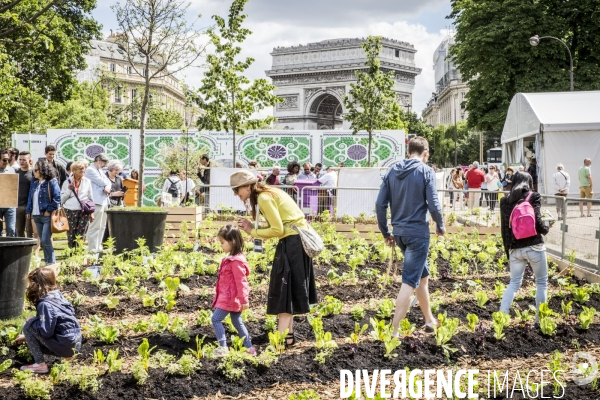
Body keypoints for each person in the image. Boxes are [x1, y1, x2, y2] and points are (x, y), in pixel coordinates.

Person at [232, 170, 317, 346]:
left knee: (284, 292)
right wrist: (254, 228)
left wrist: (252, 231)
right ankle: (288, 338)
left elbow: (277, 230)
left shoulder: (263, 198)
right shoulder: (269, 192)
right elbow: (279, 225)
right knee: (289, 290)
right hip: (295, 241)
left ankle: (280, 340)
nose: (236, 194)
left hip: (293, 243)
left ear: (248, 186)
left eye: (237, 189)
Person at [375, 136, 444, 337]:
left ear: (408, 152)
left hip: (400, 234)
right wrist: (440, 225)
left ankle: (429, 320)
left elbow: (380, 205)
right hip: (418, 234)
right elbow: (433, 203)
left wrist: (385, 231)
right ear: (426, 153)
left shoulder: (392, 171)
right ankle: (394, 331)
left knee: (422, 277)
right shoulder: (426, 171)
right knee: (410, 281)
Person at [498, 171, 551, 326]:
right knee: (541, 283)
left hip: (515, 248)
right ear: (528, 182)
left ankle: (502, 316)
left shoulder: (505, 201)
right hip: (535, 246)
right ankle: (539, 321)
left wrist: (509, 253)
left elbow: (504, 230)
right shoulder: (533, 196)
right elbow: (538, 224)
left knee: (514, 283)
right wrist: (547, 229)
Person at [14, 267, 82, 374]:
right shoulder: (58, 296)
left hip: (65, 345)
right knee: (34, 323)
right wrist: (26, 337)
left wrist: (30, 322)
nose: (28, 287)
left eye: (30, 283)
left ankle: (40, 365)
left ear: (37, 284)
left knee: (29, 324)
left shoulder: (45, 304)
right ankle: (67, 356)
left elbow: (45, 332)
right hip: (74, 344)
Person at [211, 225, 256, 357]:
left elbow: (241, 282)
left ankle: (223, 348)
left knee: (216, 319)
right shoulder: (232, 260)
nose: (221, 245)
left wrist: (244, 300)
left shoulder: (235, 262)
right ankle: (250, 348)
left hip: (229, 298)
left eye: (223, 242)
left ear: (233, 242)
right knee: (237, 321)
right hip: (231, 298)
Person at [26, 159, 61, 265]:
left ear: (42, 171)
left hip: (46, 216)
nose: (34, 172)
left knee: (45, 240)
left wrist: (48, 210)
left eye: (36, 170)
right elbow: (30, 197)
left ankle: (51, 263)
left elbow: (57, 198)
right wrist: (29, 210)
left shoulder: (51, 182)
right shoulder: (35, 183)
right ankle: (48, 262)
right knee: (42, 240)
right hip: (36, 215)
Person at [61, 160, 94, 249]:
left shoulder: (87, 181)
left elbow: (90, 197)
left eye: (83, 169)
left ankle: (79, 252)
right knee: (71, 233)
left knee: (82, 233)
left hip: (84, 211)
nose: (82, 171)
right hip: (70, 211)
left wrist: (92, 212)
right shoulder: (67, 182)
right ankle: (71, 252)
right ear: (74, 170)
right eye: (80, 169)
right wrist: (68, 190)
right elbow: (62, 199)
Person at [85, 153, 111, 254]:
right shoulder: (90, 170)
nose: (104, 165)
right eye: (103, 162)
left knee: (102, 226)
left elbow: (108, 181)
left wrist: (108, 186)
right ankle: (92, 248)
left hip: (104, 201)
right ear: (98, 160)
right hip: (96, 201)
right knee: (95, 226)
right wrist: (107, 185)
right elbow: (101, 182)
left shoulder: (100, 170)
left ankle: (98, 246)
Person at [16, 151, 34, 238]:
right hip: (17, 206)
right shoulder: (16, 173)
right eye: (20, 160)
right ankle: (21, 251)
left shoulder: (34, 173)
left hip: (29, 207)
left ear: (30, 160)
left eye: (24, 160)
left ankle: (30, 251)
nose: (21, 161)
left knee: (30, 231)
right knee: (19, 231)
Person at [0, 149, 17, 237]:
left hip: (10, 206)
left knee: (11, 230)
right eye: (4, 160)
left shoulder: (12, 170)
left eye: (8, 160)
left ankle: (11, 250)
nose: (7, 162)